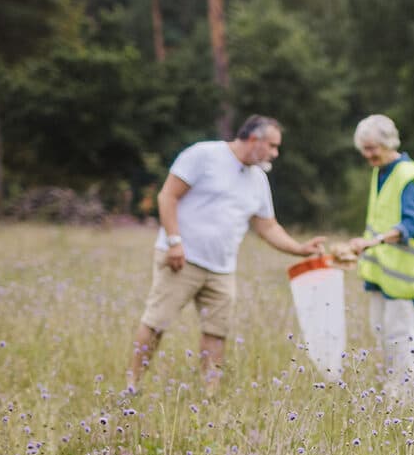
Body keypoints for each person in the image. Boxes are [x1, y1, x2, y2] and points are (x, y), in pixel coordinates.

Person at [128, 115, 324, 389]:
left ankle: (210, 393)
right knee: (156, 323)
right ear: (254, 139)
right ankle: (132, 386)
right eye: (272, 146)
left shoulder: (258, 180)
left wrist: (300, 249)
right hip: (182, 259)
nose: (275, 153)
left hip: (222, 269)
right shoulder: (203, 155)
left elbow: (267, 226)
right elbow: (168, 196)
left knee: (216, 332)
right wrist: (174, 242)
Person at [345, 114, 414, 394]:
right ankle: (391, 389)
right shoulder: (380, 171)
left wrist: (372, 242)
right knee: (381, 332)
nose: (368, 155)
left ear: (389, 143)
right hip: (382, 272)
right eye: (364, 149)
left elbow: (409, 225)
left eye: (372, 148)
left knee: (400, 336)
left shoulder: (408, 175)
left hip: (404, 275)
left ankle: (406, 397)